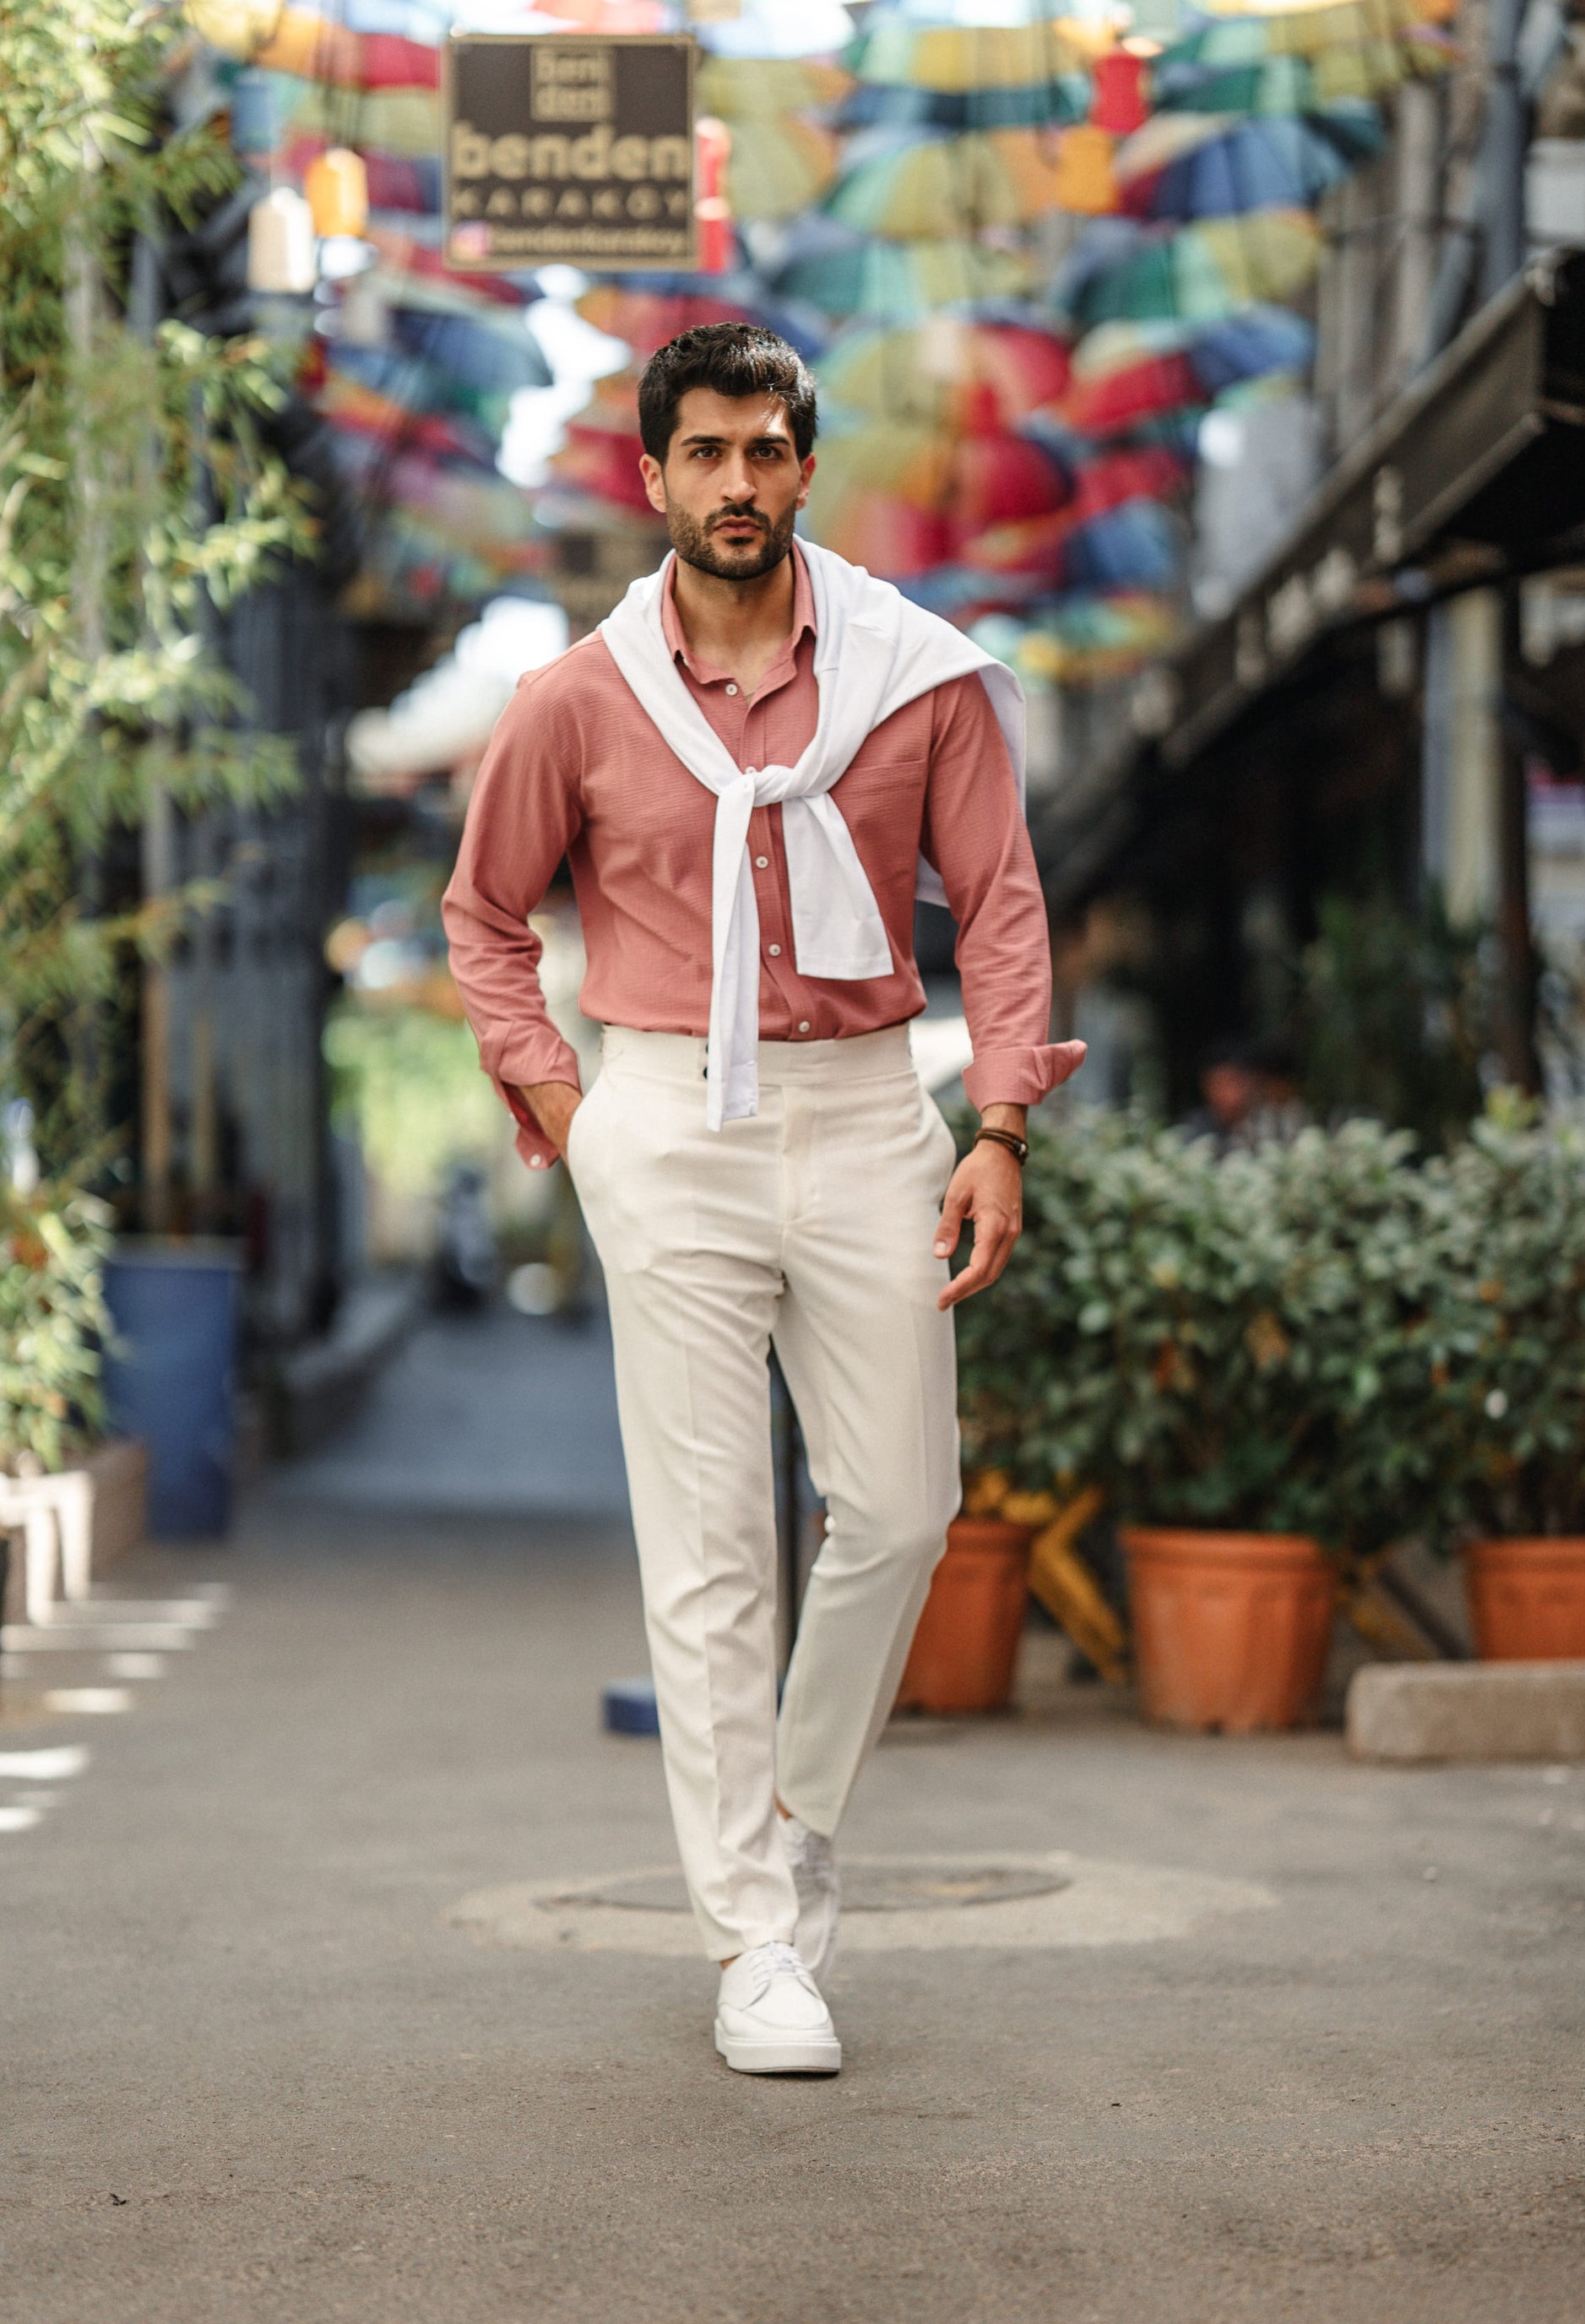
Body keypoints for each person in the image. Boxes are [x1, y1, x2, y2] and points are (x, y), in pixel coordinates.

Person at [443, 323, 1083, 2077]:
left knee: (899, 1506)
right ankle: (752, 1935)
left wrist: (1001, 1123)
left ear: (806, 468)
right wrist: (568, 1113)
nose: (736, 482)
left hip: (875, 1108)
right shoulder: (578, 697)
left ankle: (795, 1819)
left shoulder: (910, 670)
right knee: (712, 1543)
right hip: (663, 1110)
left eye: (765, 450)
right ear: (650, 479)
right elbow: (484, 913)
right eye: (703, 453)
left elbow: (1001, 905)